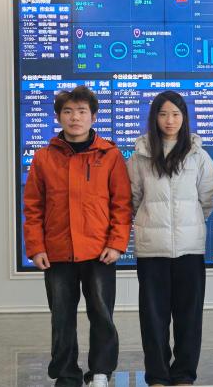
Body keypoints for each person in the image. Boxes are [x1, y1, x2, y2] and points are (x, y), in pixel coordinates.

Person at [23, 85, 132, 387]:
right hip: (57, 252)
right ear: (58, 117)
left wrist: (116, 244)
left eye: (82, 111)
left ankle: (101, 371)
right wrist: (36, 247)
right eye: (68, 111)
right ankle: (66, 374)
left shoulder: (110, 155)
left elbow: (122, 204)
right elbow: (33, 206)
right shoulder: (44, 158)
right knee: (61, 318)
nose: (75, 117)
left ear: (93, 116)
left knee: (102, 315)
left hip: (100, 252)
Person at [127, 91, 213, 386]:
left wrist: (188, 224)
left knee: (189, 317)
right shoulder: (140, 156)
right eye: (164, 114)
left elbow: (206, 199)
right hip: (151, 250)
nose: (170, 120)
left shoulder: (198, 155)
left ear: (184, 118)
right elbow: (133, 198)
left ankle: (183, 375)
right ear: (155, 117)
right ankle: (157, 375)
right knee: (153, 318)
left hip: (190, 249)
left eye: (176, 114)